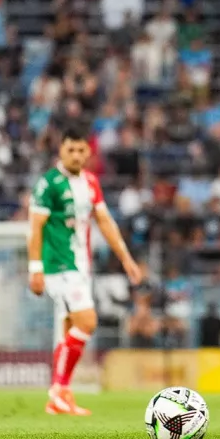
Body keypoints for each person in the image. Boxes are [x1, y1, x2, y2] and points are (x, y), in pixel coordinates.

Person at [27, 124, 143, 415]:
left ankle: (60, 396)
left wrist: (126, 258)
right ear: (61, 151)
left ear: (89, 152)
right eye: (71, 150)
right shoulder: (49, 183)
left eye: (81, 150)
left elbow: (105, 222)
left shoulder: (91, 182)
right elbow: (35, 227)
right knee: (87, 321)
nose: (76, 155)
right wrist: (35, 268)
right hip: (58, 265)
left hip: (81, 266)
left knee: (69, 329)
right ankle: (58, 390)